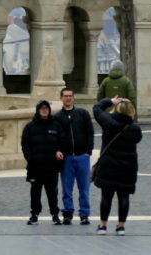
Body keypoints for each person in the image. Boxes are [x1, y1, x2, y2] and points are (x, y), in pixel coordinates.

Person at [93, 96, 142, 235]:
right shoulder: (135, 129)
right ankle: (121, 226)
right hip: (128, 167)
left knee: (106, 196)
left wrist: (110, 101)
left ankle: (103, 226)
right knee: (124, 197)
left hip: (109, 165)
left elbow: (97, 108)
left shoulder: (109, 123)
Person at [21, 99, 66, 225]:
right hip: (35, 166)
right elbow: (25, 144)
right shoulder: (30, 127)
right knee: (35, 192)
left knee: (52, 192)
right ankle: (34, 214)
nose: (45, 110)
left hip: (51, 166)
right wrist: (29, 157)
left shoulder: (56, 125)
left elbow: (62, 142)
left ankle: (55, 214)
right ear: (38, 110)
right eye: (42, 108)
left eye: (46, 108)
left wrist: (60, 150)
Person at [56, 87, 94, 225]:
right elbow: (55, 137)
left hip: (82, 156)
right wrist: (58, 150)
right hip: (66, 158)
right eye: (65, 96)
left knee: (84, 189)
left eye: (70, 96)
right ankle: (67, 213)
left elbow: (90, 132)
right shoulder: (58, 117)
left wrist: (88, 151)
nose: (68, 98)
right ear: (61, 98)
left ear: (73, 98)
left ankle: (84, 214)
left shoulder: (82, 113)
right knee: (67, 189)